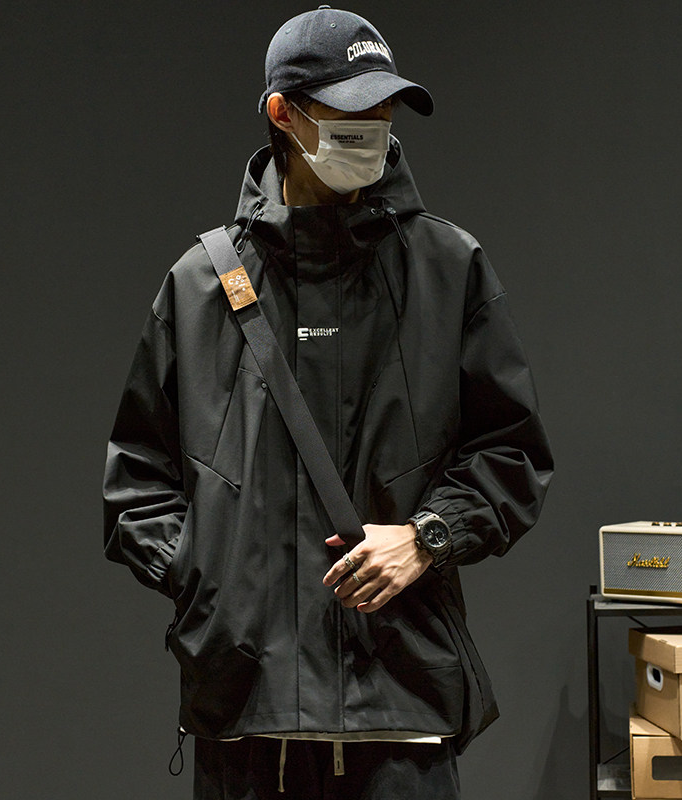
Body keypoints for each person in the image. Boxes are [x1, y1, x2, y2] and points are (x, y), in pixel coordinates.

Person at [103, 6, 553, 799]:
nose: (373, 129)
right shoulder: (201, 285)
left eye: (385, 108)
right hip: (247, 713)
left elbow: (511, 452)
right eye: (351, 110)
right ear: (284, 114)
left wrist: (427, 537)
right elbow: (137, 478)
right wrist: (212, 586)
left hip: (400, 705)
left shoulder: (448, 268)